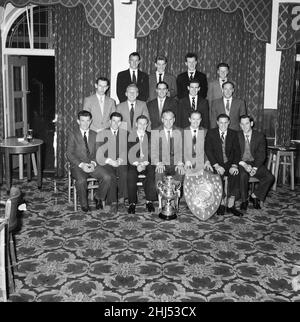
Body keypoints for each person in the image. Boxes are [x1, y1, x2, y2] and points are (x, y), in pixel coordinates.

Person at [67, 110, 112, 212]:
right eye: (83, 121)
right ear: (78, 121)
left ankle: (99, 197)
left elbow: (98, 153)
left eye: (88, 121)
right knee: (81, 180)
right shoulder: (72, 134)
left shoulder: (94, 134)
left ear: (91, 121)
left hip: (92, 164)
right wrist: (82, 165)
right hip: (78, 165)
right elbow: (69, 154)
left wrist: (92, 163)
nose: (85, 123)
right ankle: (84, 204)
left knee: (107, 177)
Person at [204, 114, 243, 217]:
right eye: (221, 122)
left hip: (229, 164)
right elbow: (208, 150)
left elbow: (237, 151)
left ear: (229, 122)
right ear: (217, 122)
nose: (223, 125)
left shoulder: (233, 134)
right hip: (217, 163)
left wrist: (234, 165)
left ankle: (231, 204)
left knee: (236, 174)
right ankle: (220, 203)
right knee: (217, 176)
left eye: (225, 122)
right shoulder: (211, 133)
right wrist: (216, 166)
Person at [238, 115, 274, 211]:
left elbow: (262, 154)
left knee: (270, 177)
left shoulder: (259, 136)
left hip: (255, 162)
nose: (244, 126)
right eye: (242, 124)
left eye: (247, 123)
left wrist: (254, 168)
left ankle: (254, 195)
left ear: (251, 123)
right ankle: (244, 200)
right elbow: (234, 154)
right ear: (240, 125)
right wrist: (245, 165)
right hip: (241, 162)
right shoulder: (236, 135)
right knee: (243, 175)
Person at [96, 112, 128, 213]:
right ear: (110, 121)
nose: (115, 123)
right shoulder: (102, 133)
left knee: (124, 173)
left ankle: (122, 201)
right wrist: (110, 161)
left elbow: (125, 150)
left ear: (120, 123)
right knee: (112, 176)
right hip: (107, 162)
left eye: (118, 121)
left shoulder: (125, 133)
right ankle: (113, 202)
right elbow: (99, 152)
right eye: (114, 120)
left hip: (120, 161)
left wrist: (120, 159)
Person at [127, 115, 157, 214]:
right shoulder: (130, 135)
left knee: (152, 171)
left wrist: (144, 163)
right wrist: (137, 164)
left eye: (144, 124)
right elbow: (128, 152)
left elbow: (153, 152)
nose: (142, 126)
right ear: (136, 124)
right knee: (131, 174)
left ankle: (149, 201)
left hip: (147, 161)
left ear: (147, 124)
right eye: (140, 123)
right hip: (134, 162)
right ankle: (132, 203)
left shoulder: (151, 135)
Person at [151, 109, 185, 186]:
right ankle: (161, 196)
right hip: (162, 163)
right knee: (159, 172)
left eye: (170, 119)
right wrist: (158, 162)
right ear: (162, 120)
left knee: (181, 171)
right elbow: (152, 150)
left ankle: (175, 195)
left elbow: (184, 149)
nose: (168, 122)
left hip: (176, 163)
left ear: (174, 119)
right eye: (166, 119)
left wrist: (181, 162)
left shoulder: (181, 131)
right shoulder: (155, 132)